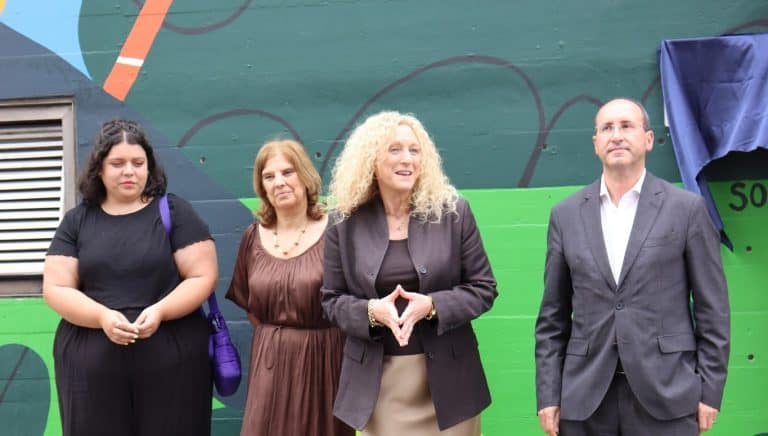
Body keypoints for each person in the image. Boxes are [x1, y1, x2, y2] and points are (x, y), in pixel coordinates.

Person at [535, 98, 730, 436]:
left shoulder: (687, 210)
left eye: (627, 126)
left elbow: (713, 310)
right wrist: (548, 395)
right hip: (585, 400)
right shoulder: (565, 216)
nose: (616, 135)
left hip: (668, 395)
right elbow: (552, 317)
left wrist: (710, 391)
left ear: (649, 139)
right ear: (596, 143)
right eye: (606, 128)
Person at [321, 111, 498, 435]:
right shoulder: (342, 222)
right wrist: (372, 311)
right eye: (395, 149)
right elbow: (331, 301)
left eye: (414, 150)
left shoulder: (454, 213)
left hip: (451, 387)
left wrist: (432, 306)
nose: (407, 159)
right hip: (380, 384)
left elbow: (483, 288)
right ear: (371, 160)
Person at [43, 119, 218, 436]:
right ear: (99, 169)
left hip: (173, 369)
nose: (129, 172)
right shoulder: (77, 221)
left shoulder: (175, 212)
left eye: (138, 163)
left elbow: (202, 276)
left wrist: (161, 310)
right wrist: (102, 317)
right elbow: (55, 288)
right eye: (117, 163)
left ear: (149, 167)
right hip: (91, 374)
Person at [225, 139, 353, 436]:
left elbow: (353, 301)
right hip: (269, 365)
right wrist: (282, 339)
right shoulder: (252, 238)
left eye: (287, 172)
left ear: (305, 176)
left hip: (325, 363)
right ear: (262, 186)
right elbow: (251, 308)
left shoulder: (337, 232)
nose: (279, 182)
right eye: (269, 176)